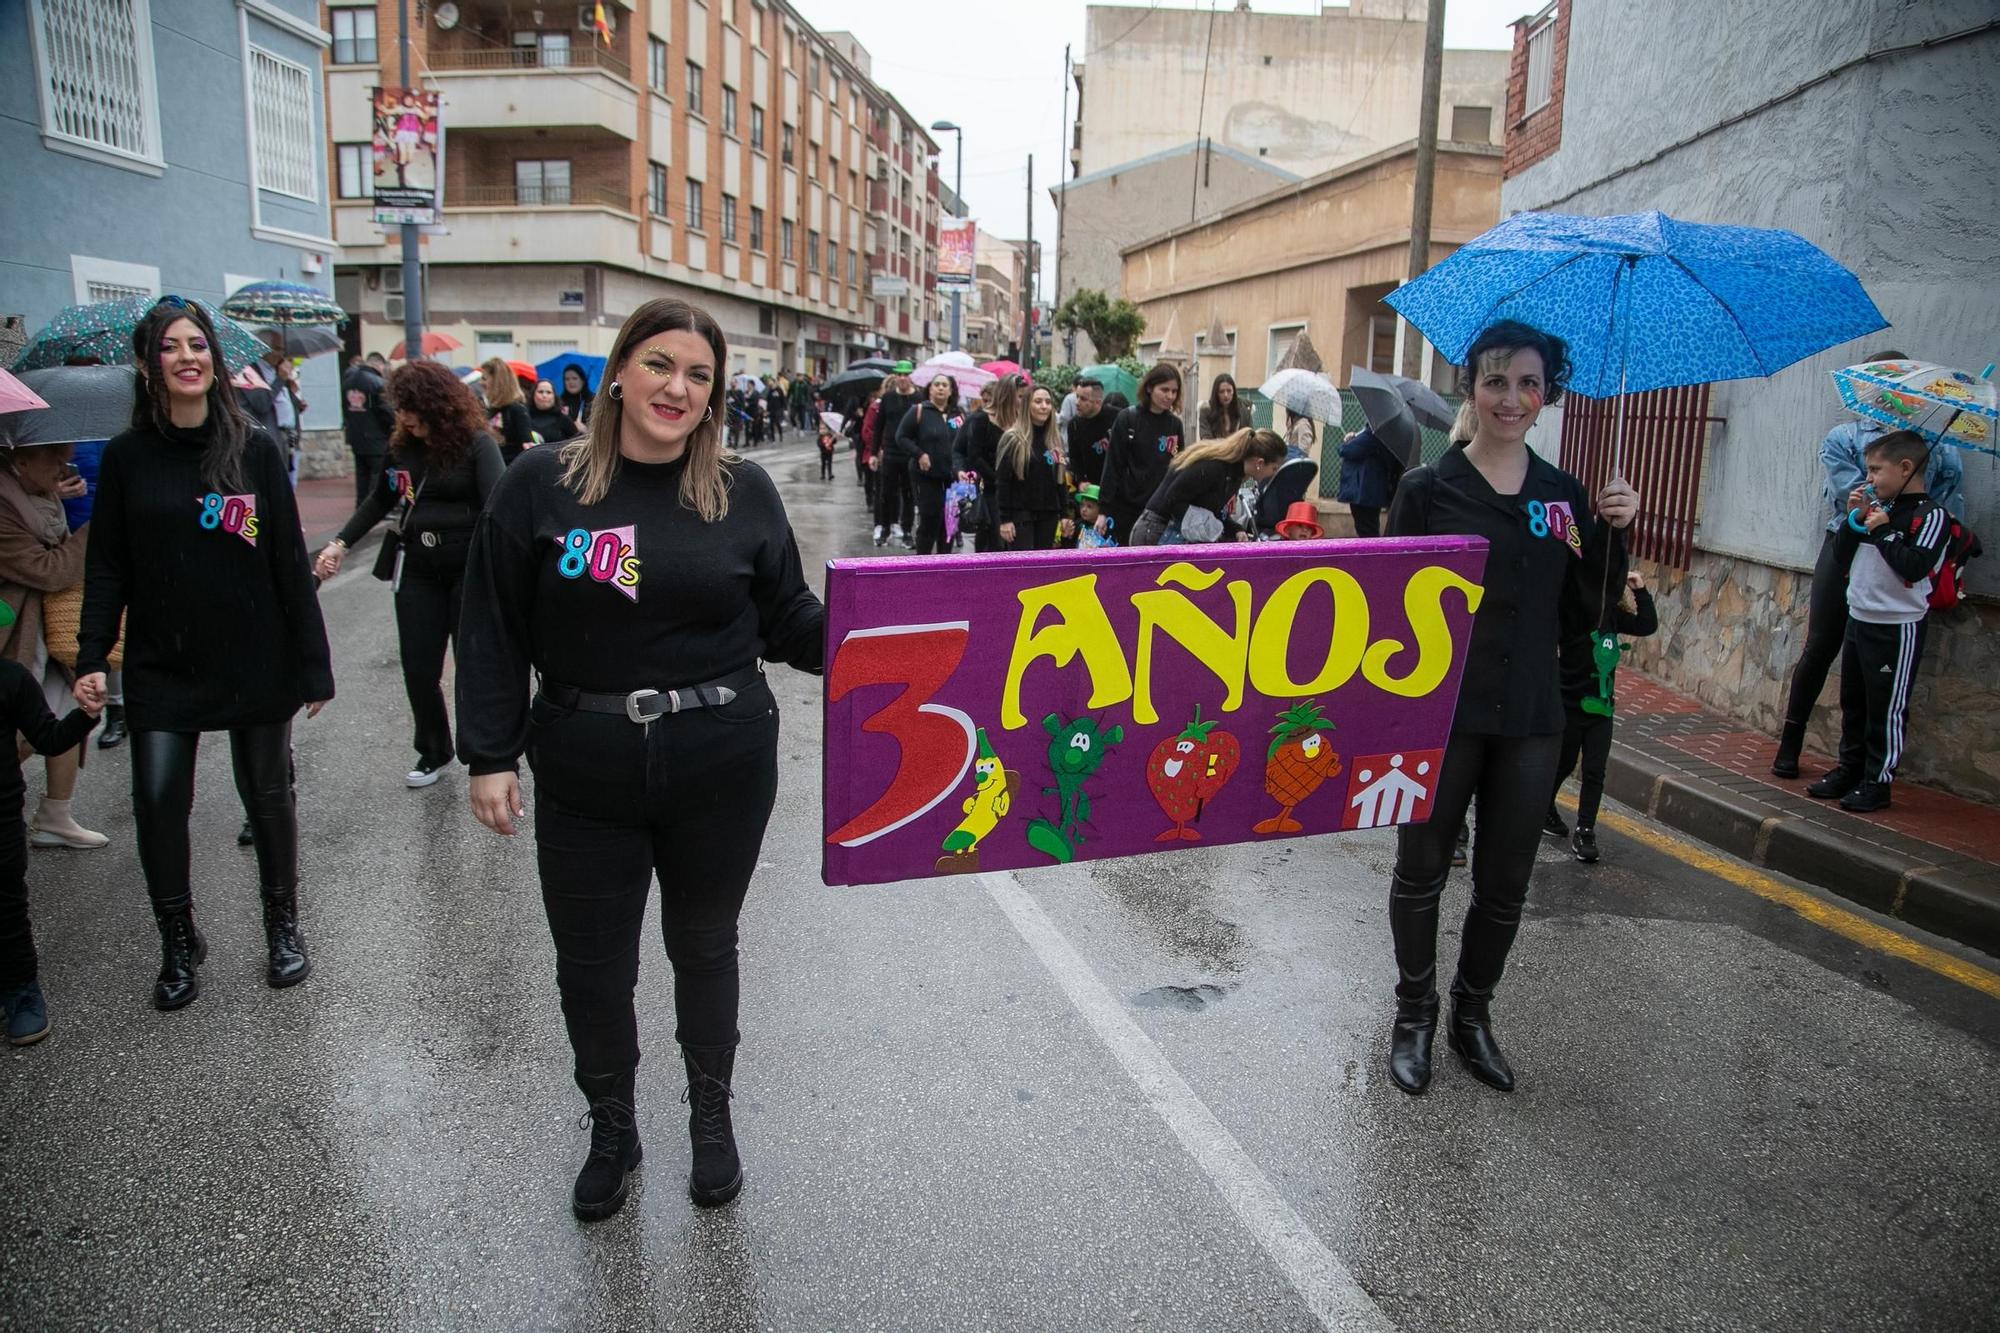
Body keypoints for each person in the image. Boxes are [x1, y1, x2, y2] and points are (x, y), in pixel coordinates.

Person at [455, 297, 824, 1221]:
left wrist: (901, 620)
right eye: (660, 364)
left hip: (722, 758)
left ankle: (711, 1116)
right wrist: (489, 754)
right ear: (619, 371)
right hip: (584, 765)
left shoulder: (743, 492)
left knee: (704, 945)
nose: (678, 387)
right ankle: (613, 1128)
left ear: (714, 394)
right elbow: (492, 624)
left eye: (699, 375)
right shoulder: (540, 485)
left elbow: (791, 622)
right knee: (591, 964)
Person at [1380, 319, 1638, 1098]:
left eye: (1528, 382)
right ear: (1472, 387)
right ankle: (1415, 1014)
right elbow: (1390, 611)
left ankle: (1471, 1016)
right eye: (1496, 380)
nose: (1512, 397)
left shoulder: (1563, 499)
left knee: (1504, 883)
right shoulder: (1427, 489)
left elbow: (1585, 614)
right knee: (1421, 868)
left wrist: (1614, 536)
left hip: (1531, 720)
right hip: (1443, 716)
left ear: (1547, 393)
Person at [74, 297, 334, 1010]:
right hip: (163, 663)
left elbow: (288, 563)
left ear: (216, 361)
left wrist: (313, 665)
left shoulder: (251, 447)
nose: (187, 356)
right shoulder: (129, 457)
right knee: (158, 801)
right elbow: (108, 569)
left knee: (268, 794)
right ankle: (179, 940)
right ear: (148, 363)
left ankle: (283, 926)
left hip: (255, 656)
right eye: (170, 346)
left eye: (199, 344)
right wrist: (92, 654)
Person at [1770, 355, 1963, 778]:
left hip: (1899, 555)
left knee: (1879, 670)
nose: (1884, 391)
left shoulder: (1937, 444)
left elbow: (1947, 499)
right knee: (1821, 644)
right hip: (1849, 542)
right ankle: (1791, 741)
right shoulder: (1845, 436)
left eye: (1896, 382)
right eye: (1874, 383)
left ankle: (1866, 766)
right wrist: (1877, 504)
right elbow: (1847, 494)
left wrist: (1929, 541)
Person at [315, 360, 504, 787]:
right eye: (399, 408)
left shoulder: (477, 444)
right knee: (419, 667)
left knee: (473, 667)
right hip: (417, 568)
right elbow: (378, 500)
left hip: (466, 570)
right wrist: (340, 543)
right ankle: (433, 750)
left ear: (435, 405)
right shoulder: (401, 448)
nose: (402, 416)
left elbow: (498, 507)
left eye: (409, 407)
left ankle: (484, 751)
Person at [1802, 429, 1951, 813]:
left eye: (1874, 470)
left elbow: (1915, 567)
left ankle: (1877, 781)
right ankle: (1849, 769)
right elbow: (1840, 557)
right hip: (1859, 617)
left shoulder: (1930, 515)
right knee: (1853, 702)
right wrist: (1854, 520)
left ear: (1905, 468)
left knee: (1885, 707)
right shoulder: (1874, 509)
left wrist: (1882, 529)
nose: (1868, 479)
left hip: (1897, 626)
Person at [0, 599, 101, 1046]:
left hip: (0, 815)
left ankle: (22, 989)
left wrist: (86, 715)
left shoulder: (12, 680)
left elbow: (48, 738)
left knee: (6, 906)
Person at [0, 443, 108, 849]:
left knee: (64, 711)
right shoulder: (3, 505)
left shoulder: (38, 496)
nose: (64, 464)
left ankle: (55, 815)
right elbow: (49, 571)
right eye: (53, 456)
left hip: (46, 627)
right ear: (20, 460)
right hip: (14, 630)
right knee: (23, 730)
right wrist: (92, 528)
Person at [1545, 567, 1657, 862]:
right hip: (1569, 705)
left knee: (1595, 770)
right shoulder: (1569, 614)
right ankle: (1545, 808)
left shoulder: (1612, 616)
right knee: (1564, 764)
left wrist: (1640, 590)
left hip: (1601, 708)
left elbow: (1647, 625)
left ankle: (1585, 831)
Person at [1130, 427, 1286, 546]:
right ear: (1260, 463)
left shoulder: (1234, 475)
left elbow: (1215, 512)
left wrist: (1236, 529)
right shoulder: (1214, 467)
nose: (1272, 474)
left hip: (1169, 534)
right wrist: (1208, 525)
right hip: (1155, 532)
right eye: (1274, 468)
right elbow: (1172, 499)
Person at [1099, 365, 1184, 544]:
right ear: (1149, 388)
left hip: (1159, 513)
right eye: (1164, 390)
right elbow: (1113, 466)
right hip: (1126, 510)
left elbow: (1179, 468)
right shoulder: (1127, 419)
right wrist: (1103, 511)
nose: (1169, 396)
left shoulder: (1175, 425)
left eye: (1174, 391)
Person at [892, 374, 963, 556]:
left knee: (949, 526)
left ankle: (945, 569)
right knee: (930, 521)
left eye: (944, 385)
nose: (940, 388)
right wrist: (920, 454)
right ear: (930, 389)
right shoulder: (919, 410)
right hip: (926, 478)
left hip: (953, 480)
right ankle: (922, 567)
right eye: (936, 384)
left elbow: (965, 444)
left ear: (951, 390)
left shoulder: (958, 414)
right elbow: (901, 437)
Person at [994, 385, 1067, 552]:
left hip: (1049, 515)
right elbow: (1003, 482)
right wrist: (1004, 520)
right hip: (1021, 515)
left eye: (1048, 402)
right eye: (1038, 401)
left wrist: (1064, 515)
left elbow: (1060, 481)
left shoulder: (1055, 440)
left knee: (1044, 570)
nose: (1044, 406)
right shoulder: (1013, 439)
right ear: (1027, 405)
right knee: (1024, 569)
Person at [954, 375, 1021, 554]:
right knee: (993, 542)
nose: (1022, 401)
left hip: (1017, 492)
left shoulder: (1022, 421)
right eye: (1019, 396)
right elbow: (969, 454)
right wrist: (997, 478)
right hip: (989, 489)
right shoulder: (979, 420)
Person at [870, 367, 917, 547]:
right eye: (899, 374)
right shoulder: (888, 398)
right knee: (886, 493)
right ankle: (885, 528)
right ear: (896, 377)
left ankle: (906, 531)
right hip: (890, 452)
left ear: (911, 377)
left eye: (906, 375)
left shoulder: (918, 399)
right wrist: (874, 453)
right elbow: (879, 426)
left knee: (908, 494)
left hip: (910, 454)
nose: (902, 378)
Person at [342, 353, 396, 505]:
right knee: (377, 476)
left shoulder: (348, 382)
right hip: (376, 438)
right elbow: (386, 412)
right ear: (379, 365)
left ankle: (360, 507)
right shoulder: (378, 383)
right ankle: (373, 508)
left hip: (356, 437)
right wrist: (394, 428)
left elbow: (345, 410)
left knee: (362, 477)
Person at [1336, 425, 1405, 538]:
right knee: (1368, 529)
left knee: (1367, 531)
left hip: (1364, 493)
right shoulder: (1387, 434)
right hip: (1369, 492)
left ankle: (1371, 554)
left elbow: (1347, 450)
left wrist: (1347, 441)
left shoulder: (1373, 433)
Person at [1064, 377, 1112, 496]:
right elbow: (1075, 458)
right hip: (1089, 492)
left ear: (1098, 402)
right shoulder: (1074, 425)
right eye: (1077, 396)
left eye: (1083, 399)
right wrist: (1080, 481)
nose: (1077, 402)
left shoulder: (1116, 418)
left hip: (1114, 490)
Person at [480, 358, 535, 464]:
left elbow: (527, 448)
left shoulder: (517, 409)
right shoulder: (489, 409)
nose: (480, 382)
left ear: (497, 381)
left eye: (484, 378)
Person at [528, 380, 580, 445]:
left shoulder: (563, 419)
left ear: (554, 396)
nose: (544, 395)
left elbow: (577, 442)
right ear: (533, 395)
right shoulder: (525, 416)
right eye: (540, 392)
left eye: (548, 392)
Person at [1197, 373, 1246, 442]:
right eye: (1221, 391)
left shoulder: (1244, 410)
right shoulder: (1206, 410)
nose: (1226, 395)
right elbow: (1206, 439)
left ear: (1234, 392)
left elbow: (1249, 437)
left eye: (1229, 391)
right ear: (1216, 393)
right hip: (1214, 451)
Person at [1074, 483, 1116, 548]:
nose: (1084, 509)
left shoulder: (1107, 527)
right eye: (1082, 505)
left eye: (1089, 506)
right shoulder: (1078, 525)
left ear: (1100, 509)